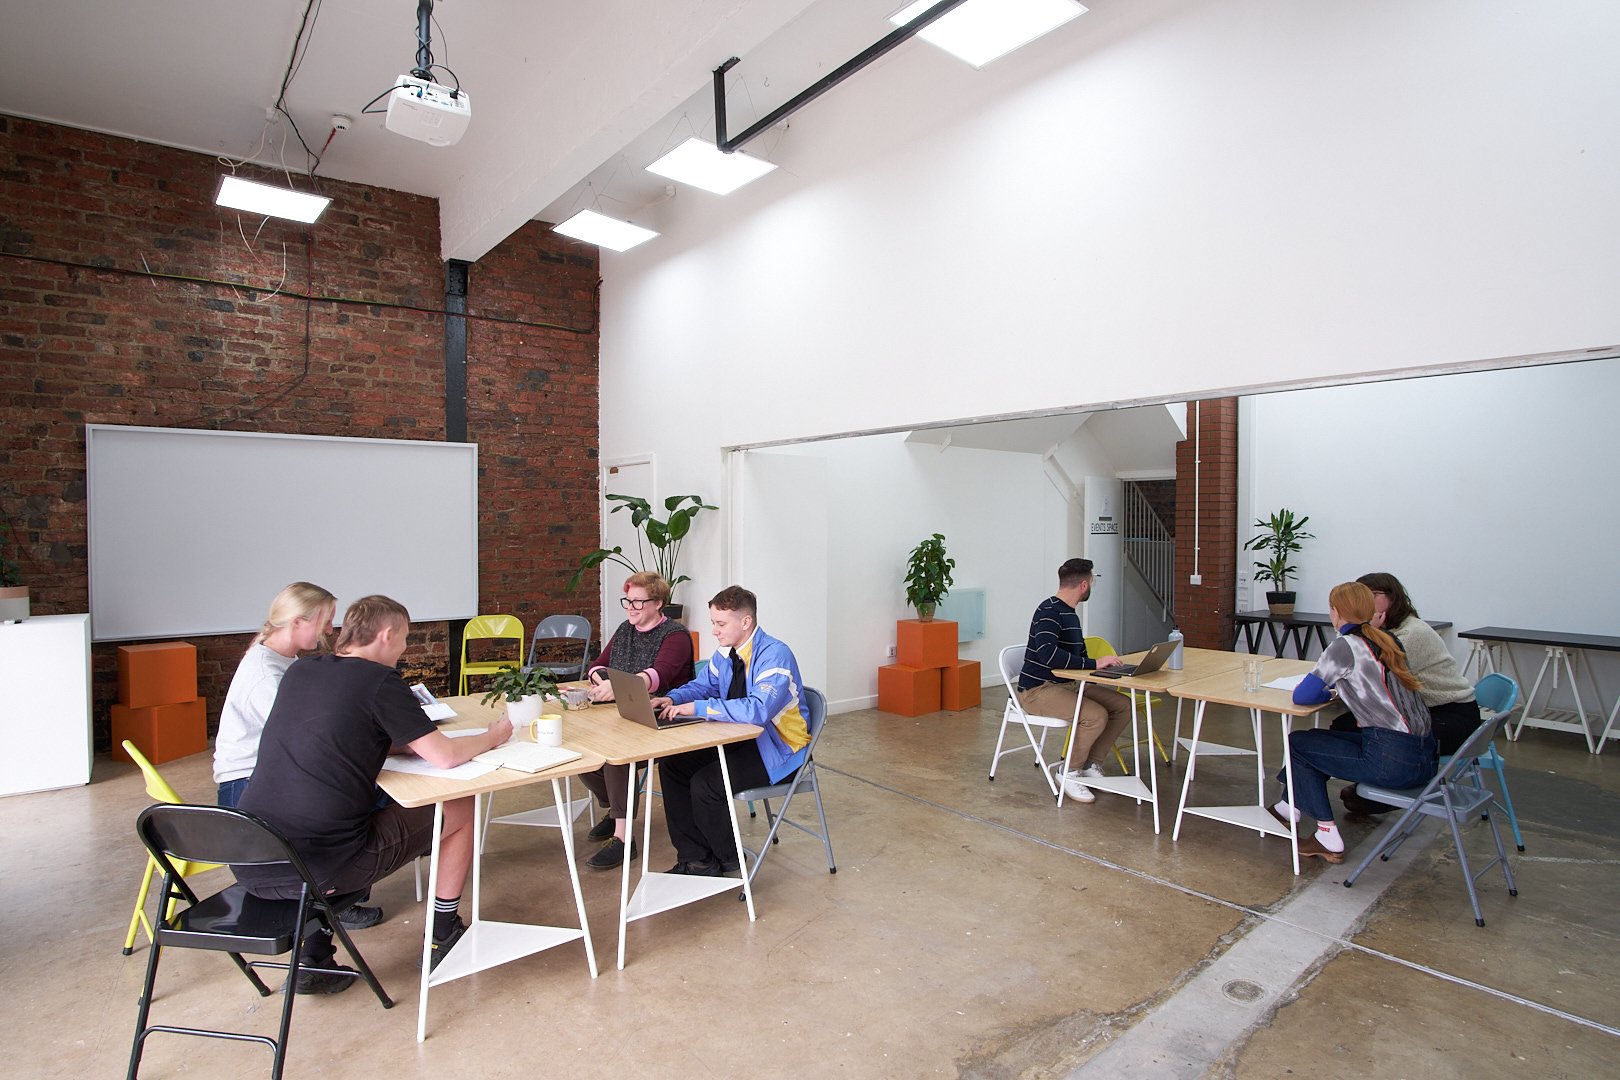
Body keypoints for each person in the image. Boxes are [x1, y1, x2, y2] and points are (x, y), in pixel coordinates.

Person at [234, 595, 513, 993]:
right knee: (459, 804)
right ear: (385, 635)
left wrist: (408, 742)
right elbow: (445, 757)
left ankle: (314, 958)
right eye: (404, 639)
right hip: (321, 867)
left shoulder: (302, 670)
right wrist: (493, 736)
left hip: (252, 858)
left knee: (322, 818)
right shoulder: (380, 681)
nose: (404, 649)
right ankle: (444, 933)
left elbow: (341, 730)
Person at [650, 586, 811, 876]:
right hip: (739, 740)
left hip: (778, 751)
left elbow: (757, 710)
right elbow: (703, 686)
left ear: (746, 622)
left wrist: (698, 708)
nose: (714, 630)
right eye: (713, 622)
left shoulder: (775, 655)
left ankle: (730, 857)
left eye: (721, 624)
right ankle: (696, 858)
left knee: (707, 784)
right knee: (673, 766)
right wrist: (673, 698)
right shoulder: (726, 652)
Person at [1272, 581, 1435, 863]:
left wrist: (1329, 693)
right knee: (1315, 741)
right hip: (1425, 757)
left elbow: (1302, 696)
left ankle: (1327, 836)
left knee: (1298, 745)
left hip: (1391, 761)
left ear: (1336, 612)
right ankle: (1288, 807)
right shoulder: (1388, 640)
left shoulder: (1344, 646)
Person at [576, 572, 695, 870]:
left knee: (617, 756)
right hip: (627, 713)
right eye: (628, 601)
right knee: (582, 749)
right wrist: (602, 681)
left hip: (664, 717)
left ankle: (623, 838)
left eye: (638, 602)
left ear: (658, 603)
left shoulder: (675, 636)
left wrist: (615, 687)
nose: (631, 607)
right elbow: (597, 666)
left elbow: (657, 677)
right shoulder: (625, 629)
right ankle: (617, 811)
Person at [1338, 572, 1482, 815]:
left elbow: (1368, 674)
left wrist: (1362, 631)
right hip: (1425, 711)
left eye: (1372, 595)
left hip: (1452, 718)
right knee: (1344, 724)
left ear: (1392, 598)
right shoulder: (1390, 630)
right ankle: (1376, 782)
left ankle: (1389, 788)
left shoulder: (1409, 634)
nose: (1364, 602)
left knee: (1354, 728)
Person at [1016, 558, 1133, 803]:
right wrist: (1094, 664)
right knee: (1095, 715)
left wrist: (1100, 669)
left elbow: (1078, 656)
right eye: (1092, 581)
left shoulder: (1070, 614)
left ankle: (1091, 764)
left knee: (1123, 706)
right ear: (1084, 584)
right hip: (1037, 691)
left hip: (1067, 685)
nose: (1091, 586)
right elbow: (1049, 655)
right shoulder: (1049, 611)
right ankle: (1068, 771)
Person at [214, 582, 337, 809]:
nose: (330, 630)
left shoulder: (282, 658)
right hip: (246, 786)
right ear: (297, 622)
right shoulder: (267, 675)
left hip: (264, 776)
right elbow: (302, 738)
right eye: (326, 622)